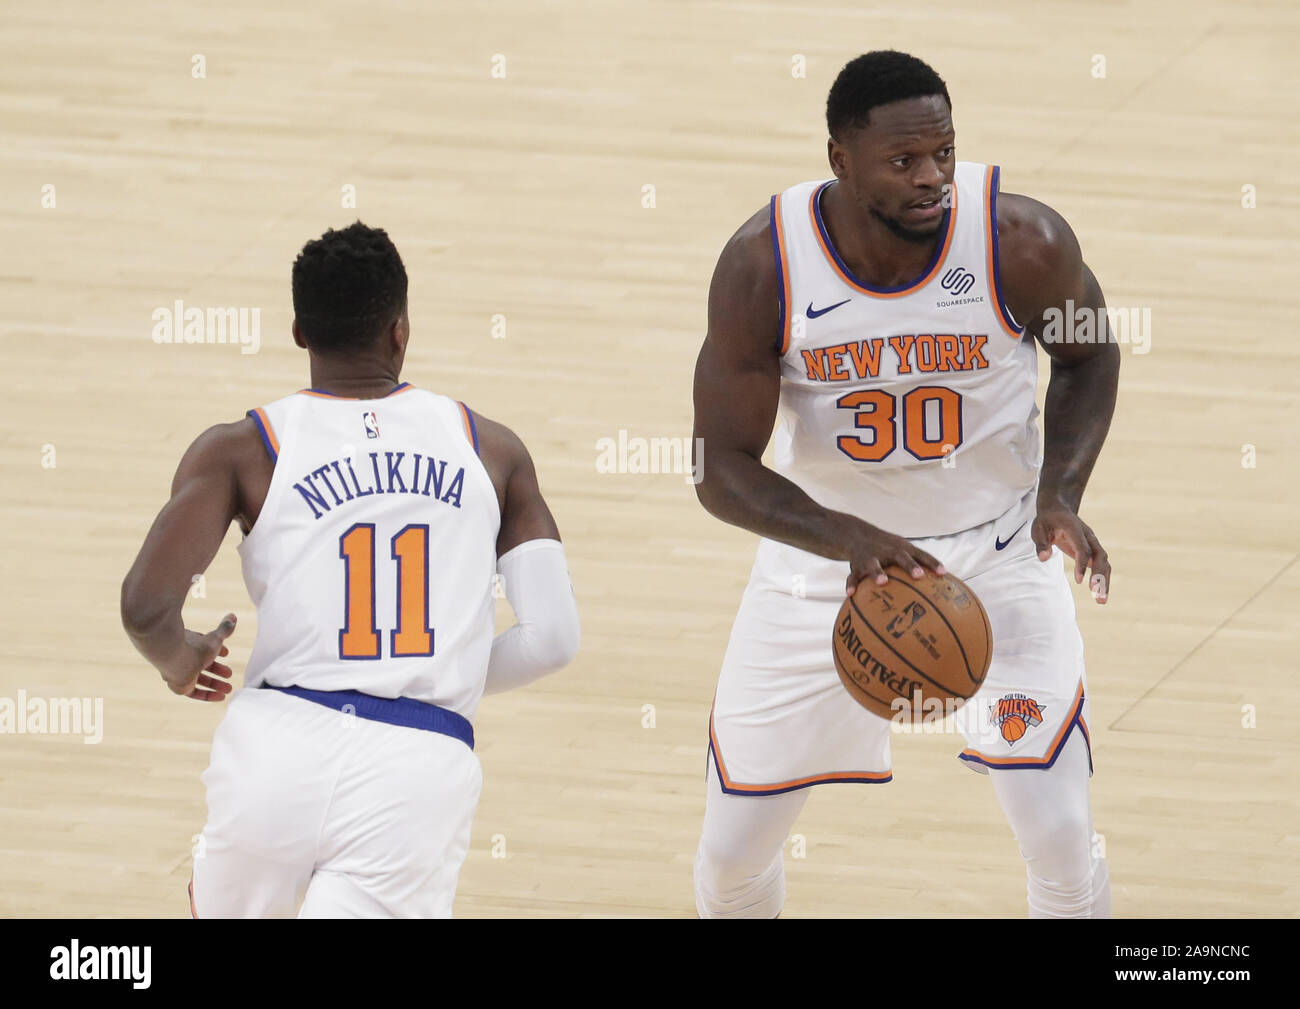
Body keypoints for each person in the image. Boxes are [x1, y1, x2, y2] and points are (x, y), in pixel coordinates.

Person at [690, 51, 1117, 918]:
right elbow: (719, 468)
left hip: (998, 552)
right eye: (903, 162)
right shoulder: (764, 265)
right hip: (824, 566)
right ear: (840, 159)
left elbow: (1091, 352)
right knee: (731, 853)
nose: (932, 179)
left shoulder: (1020, 243)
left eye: (944, 154)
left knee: (1062, 835)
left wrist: (1061, 491)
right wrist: (847, 539)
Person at [121, 222, 580, 917]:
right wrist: (439, 665)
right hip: (418, 764)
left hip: (273, 751)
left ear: (300, 331)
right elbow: (553, 638)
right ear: (400, 329)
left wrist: (180, 658)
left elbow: (145, 608)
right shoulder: (491, 448)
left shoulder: (242, 448)